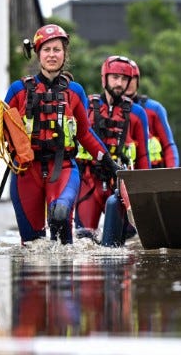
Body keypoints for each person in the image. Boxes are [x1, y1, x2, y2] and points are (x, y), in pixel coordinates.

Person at [4, 24, 119, 245]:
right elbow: (1, 133)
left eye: (57, 49)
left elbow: (85, 134)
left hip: (63, 168)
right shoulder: (17, 91)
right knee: (31, 244)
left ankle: (64, 276)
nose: (52, 55)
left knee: (60, 215)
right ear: (38, 54)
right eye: (46, 50)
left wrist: (108, 162)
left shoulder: (75, 91)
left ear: (64, 54)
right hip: (26, 172)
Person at [74, 55, 150, 240]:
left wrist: (144, 193)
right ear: (104, 79)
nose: (119, 83)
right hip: (88, 182)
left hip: (119, 185)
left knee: (121, 242)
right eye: (115, 77)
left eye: (124, 79)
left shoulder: (137, 113)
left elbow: (143, 157)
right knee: (84, 239)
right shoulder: (86, 107)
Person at [125, 60, 179, 168]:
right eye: (126, 78)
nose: (130, 82)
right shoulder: (107, 110)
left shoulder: (154, 109)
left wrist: (172, 174)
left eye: (134, 78)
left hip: (152, 175)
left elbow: (168, 145)